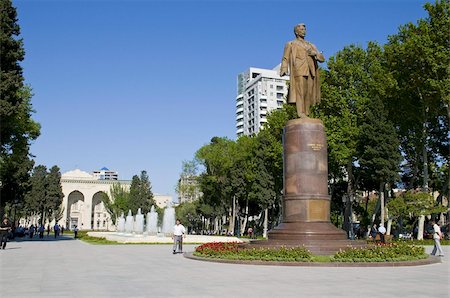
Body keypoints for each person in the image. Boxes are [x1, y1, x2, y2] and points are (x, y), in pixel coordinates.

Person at [280, 23, 325, 118]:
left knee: (308, 92)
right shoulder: (291, 44)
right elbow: (285, 58)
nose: (304, 31)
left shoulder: (311, 45)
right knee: (301, 91)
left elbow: (322, 59)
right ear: (296, 32)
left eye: (304, 29)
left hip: (310, 70)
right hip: (299, 69)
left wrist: (315, 54)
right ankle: (301, 113)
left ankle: (307, 113)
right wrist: (284, 69)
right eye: (301, 30)